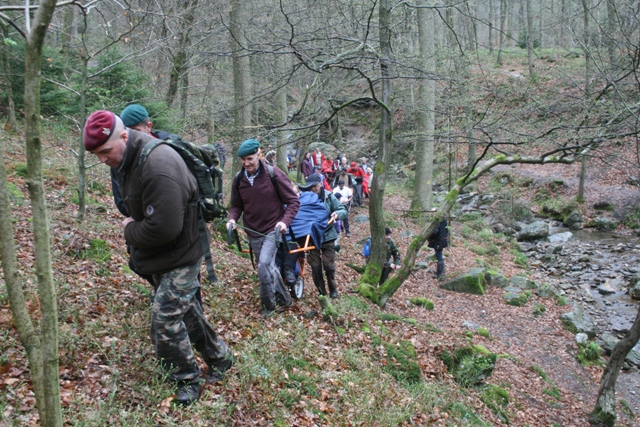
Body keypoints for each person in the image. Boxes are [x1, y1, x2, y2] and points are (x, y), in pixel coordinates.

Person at [83, 110, 233, 406]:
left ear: (124, 136)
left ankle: (186, 380)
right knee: (186, 311)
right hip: (159, 254)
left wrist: (129, 231)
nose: (102, 159)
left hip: (183, 253)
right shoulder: (125, 158)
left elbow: (163, 228)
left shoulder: (158, 164)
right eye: (96, 154)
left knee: (164, 317)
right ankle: (221, 357)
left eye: (104, 151)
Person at [115, 104, 204, 303]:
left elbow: (187, 191)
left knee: (188, 290)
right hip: (147, 230)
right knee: (150, 273)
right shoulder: (120, 156)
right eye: (125, 133)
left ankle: (192, 323)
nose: (130, 137)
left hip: (183, 236)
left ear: (149, 126)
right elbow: (121, 200)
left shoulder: (169, 150)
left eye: (135, 131)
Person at [227, 139, 300, 317]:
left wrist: (284, 222)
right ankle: (285, 299)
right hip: (252, 231)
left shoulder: (273, 174)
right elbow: (236, 205)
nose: (246, 163)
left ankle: (268, 306)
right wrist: (232, 219)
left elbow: (293, 201)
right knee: (269, 268)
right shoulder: (239, 179)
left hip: (272, 230)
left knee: (264, 265)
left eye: (250, 158)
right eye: (243, 159)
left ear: (259, 155)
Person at [297, 174, 347, 298]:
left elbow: (343, 210)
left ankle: (332, 287)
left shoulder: (329, 196)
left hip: (327, 235)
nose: (314, 189)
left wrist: (337, 214)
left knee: (329, 265)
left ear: (320, 183)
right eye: (311, 187)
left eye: (315, 186)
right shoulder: (303, 197)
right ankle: (321, 292)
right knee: (315, 266)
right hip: (309, 237)